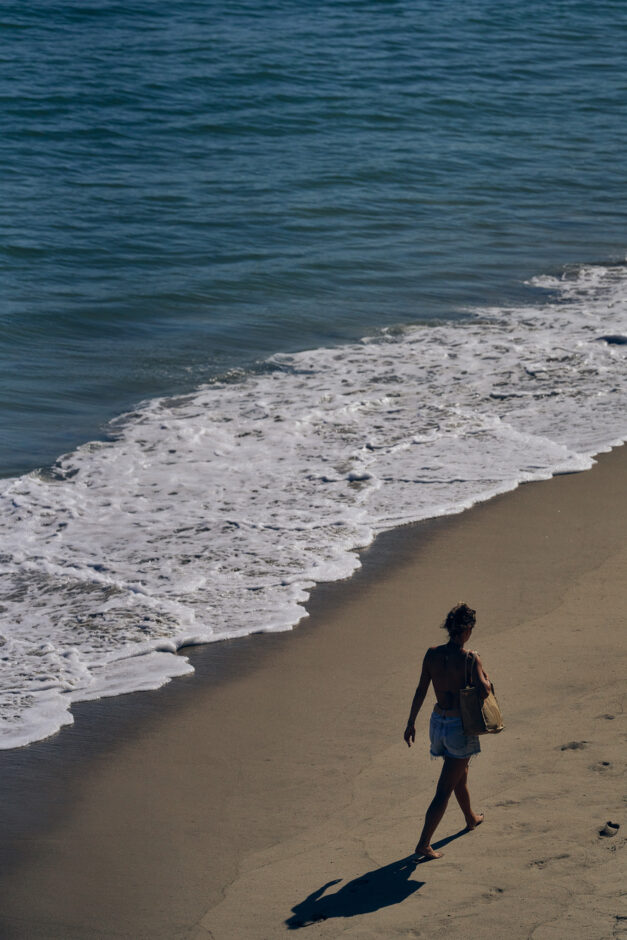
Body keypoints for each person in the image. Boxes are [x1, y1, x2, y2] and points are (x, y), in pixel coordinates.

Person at [403, 602, 491, 860]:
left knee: (459, 773)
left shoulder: (431, 654)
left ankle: (470, 818)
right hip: (459, 728)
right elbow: (485, 690)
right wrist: (483, 671)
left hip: (437, 723)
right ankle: (423, 844)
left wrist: (410, 722)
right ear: (467, 631)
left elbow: (421, 689)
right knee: (444, 788)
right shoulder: (469, 658)